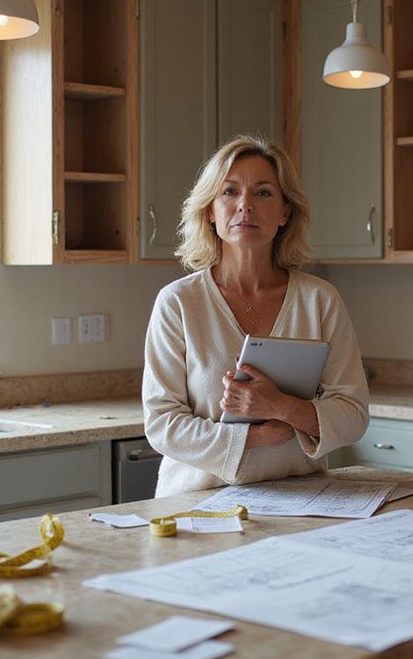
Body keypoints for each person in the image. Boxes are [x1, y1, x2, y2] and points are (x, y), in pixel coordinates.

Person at [142, 134, 370, 497]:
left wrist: (283, 407)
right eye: (229, 192)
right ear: (210, 212)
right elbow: (162, 424)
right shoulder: (178, 303)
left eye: (263, 193)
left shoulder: (319, 300)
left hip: (301, 503)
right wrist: (254, 436)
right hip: (197, 506)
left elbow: (353, 414)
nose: (245, 205)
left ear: (284, 213)